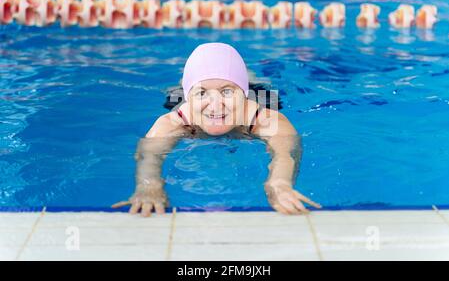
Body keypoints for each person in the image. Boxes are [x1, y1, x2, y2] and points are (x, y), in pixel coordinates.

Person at [112, 42, 321, 216]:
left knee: (260, 86)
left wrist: (279, 184)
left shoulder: (265, 119)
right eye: (201, 93)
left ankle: (244, 78)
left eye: (227, 91)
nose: (215, 105)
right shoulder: (173, 121)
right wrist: (149, 186)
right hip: (195, 102)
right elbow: (149, 155)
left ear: (243, 95)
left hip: (252, 98)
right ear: (189, 96)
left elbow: (285, 154)